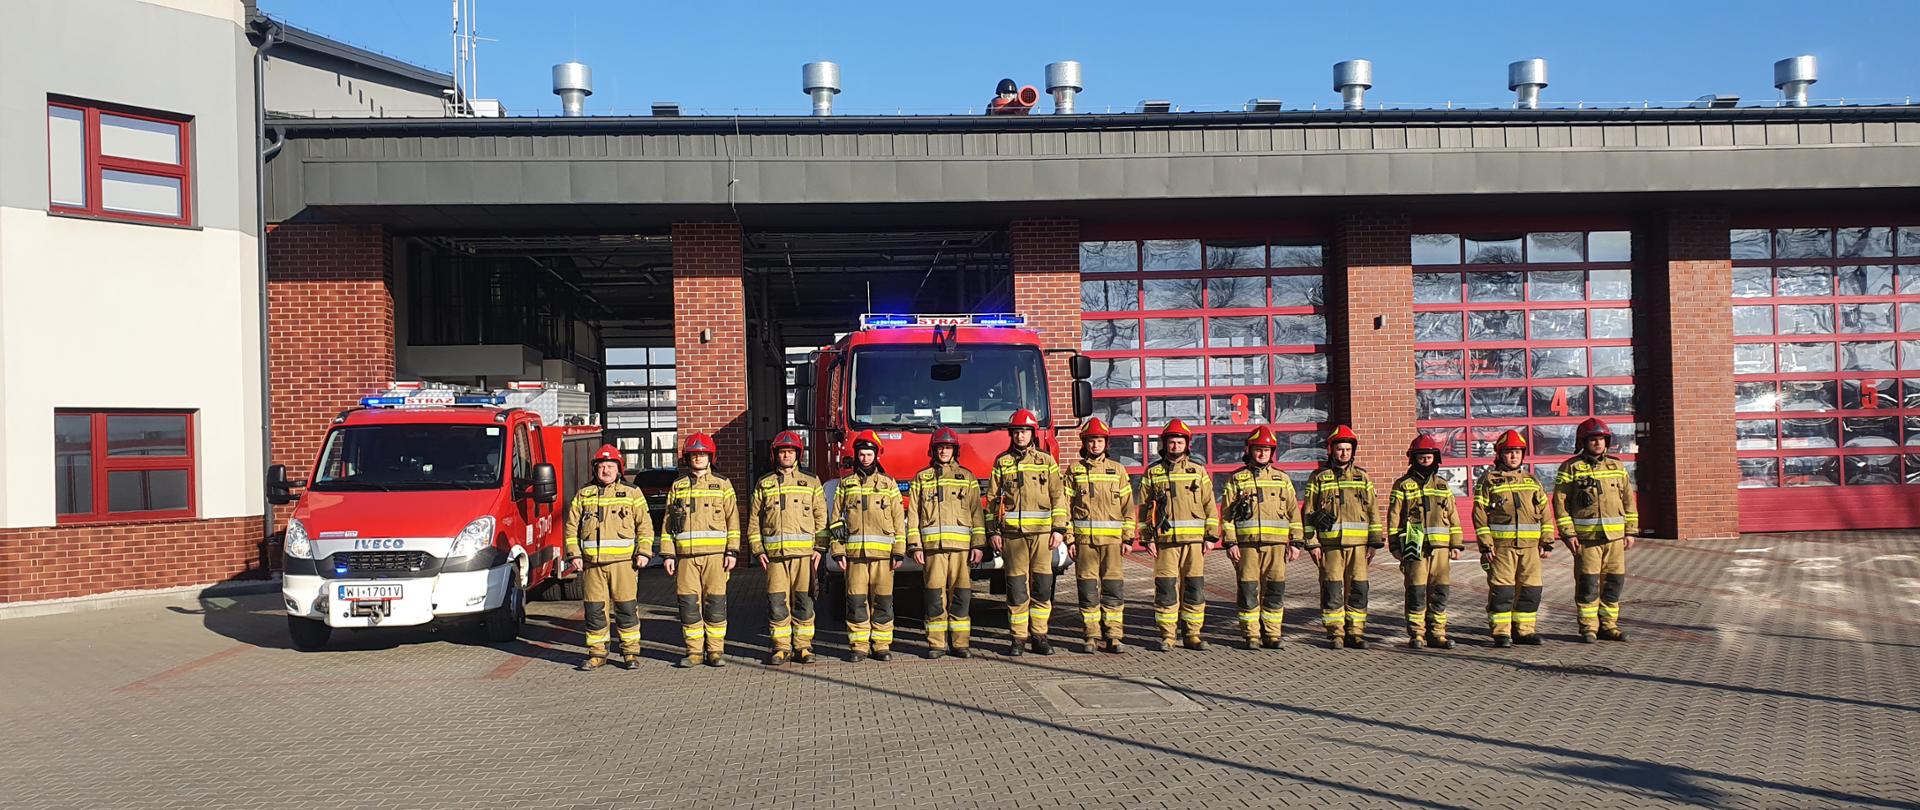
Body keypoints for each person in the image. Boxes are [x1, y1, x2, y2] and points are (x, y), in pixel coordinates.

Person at [563, 444, 653, 670]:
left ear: (619, 468)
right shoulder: (584, 494)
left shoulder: (633, 493)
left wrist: (643, 552)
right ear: (595, 469)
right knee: (594, 611)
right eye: (601, 466)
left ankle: (630, 653)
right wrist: (574, 555)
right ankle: (597, 654)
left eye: (610, 466)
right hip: (592, 565)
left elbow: (645, 527)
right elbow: (571, 528)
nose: (606, 470)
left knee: (626, 609)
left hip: (624, 564)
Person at [986, 409, 1067, 656]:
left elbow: (1058, 496)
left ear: (1032, 433)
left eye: (1025, 432)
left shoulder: (1046, 461)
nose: (1021, 436)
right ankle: (1018, 639)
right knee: (1017, 588)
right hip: (1013, 536)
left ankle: (1040, 636)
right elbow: (992, 500)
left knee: (1042, 586)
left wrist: (1059, 529)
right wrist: (993, 532)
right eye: (1017, 432)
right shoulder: (1002, 462)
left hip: (1043, 536)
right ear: (1012, 435)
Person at [1555, 417, 1640, 643]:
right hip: (1586, 540)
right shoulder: (1570, 468)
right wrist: (1568, 534)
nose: (1598, 443)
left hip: (1614, 540)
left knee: (1613, 584)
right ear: (1583, 441)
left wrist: (1630, 531)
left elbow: (1628, 500)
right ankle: (1588, 628)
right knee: (1588, 585)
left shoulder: (1617, 466)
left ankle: (1609, 626)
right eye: (1593, 439)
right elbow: (1561, 504)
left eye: (1601, 439)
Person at [746, 431, 827, 666]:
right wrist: (758, 550)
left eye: (791, 452)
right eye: (783, 452)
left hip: (804, 556)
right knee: (777, 602)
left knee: (804, 602)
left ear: (797, 455)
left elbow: (822, 518)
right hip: (775, 558)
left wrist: (820, 549)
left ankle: (803, 647)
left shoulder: (812, 482)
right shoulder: (765, 483)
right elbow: (754, 520)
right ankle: (781, 647)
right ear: (776, 455)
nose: (787, 455)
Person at [1301, 426, 1385, 649]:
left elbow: (1373, 511)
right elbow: (1308, 512)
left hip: (1359, 546)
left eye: (1347, 449)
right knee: (1332, 589)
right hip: (1330, 546)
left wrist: (1374, 542)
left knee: (1359, 589)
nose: (1344, 454)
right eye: (1340, 449)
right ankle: (1335, 633)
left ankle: (1356, 633)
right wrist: (1312, 543)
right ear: (1331, 451)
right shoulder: (1319, 477)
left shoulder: (1362, 477)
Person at [1139, 419, 1219, 651]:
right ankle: (1168, 635)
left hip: (1194, 543)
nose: (1175, 446)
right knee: (1165, 588)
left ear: (1187, 444)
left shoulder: (1198, 471)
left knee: (1194, 588)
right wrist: (1147, 538)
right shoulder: (1153, 473)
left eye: (1179, 442)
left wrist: (1211, 536)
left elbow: (1209, 505)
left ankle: (1192, 634)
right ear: (1164, 444)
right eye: (1171, 442)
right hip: (1165, 543)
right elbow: (1144, 508)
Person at [1219, 426, 1302, 650]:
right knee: (1248, 591)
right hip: (1246, 547)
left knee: (1274, 591)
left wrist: (1296, 542)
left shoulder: (1282, 479)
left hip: (1276, 546)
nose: (1262, 454)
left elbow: (1294, 512)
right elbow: (1226, 514)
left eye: (1266, 449)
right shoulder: (1237, 479)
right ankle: (1251, 635)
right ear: (1250, 450)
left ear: (1272, 452)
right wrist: (1230, 541)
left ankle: (1273, 634)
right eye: (1258, 449)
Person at [906, 428, 986, 659]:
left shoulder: (967, 477)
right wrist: (915, 545)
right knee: (934, 597)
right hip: (933, 550)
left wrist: (978, 545)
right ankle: (937, 644)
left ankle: (960, 644)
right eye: (940, 447)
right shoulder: (922, 478)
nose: (944, 450)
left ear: (955, 450)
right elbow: (914, 515)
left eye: (948, 447)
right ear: (933, 450)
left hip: (961, 550)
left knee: (961, 596)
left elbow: (976, 514)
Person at [662, 433, 740, 668]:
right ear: (688, 458)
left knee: (715, 603)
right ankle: (694, 652)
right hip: (686, 558)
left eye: (703, 455)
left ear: (710, 457)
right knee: (688, 604)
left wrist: (732, 552)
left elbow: (733, 520)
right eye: (694, 455)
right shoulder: (678, 487)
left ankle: (715, 651)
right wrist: (668, 554)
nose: (698, 459)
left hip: (716, 557)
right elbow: (668, 523)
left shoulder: (723, 484)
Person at [831, 431, 906, 662]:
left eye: (869, 454)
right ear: (856, 455)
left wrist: (899, 551)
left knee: (883, 600)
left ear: (876, 455)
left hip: (883, 556)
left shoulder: (888, 484)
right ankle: (859, 645)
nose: (865, 458)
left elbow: (898, 520)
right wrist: (837, 551)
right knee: (855, 601)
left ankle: (881, 645)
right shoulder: (846, 484)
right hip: (855, 556)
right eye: (861, 454)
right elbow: (835, 521)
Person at [1474, 429, 1553, 647]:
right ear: (1500, 454)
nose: (1514, 456)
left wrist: (1547, 541)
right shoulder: (1489, 480)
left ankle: (1524, 631)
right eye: (1509, 452)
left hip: (1530, 549)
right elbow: (1480, 514)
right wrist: (1486, 545)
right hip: (1501, 548)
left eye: (1517, 452)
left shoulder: (1531, 480)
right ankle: (1501, 633)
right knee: (1502, 591)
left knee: (1531, 590)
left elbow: (1545, 512)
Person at [1065, 418, 1137, 654]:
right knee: (1087, 590)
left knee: (1113, 589)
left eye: (1099, 441)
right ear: (1084, 444)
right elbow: (1064, 506)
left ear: (1106, 443)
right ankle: (1091, 635)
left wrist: (1128, 538)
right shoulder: (1074, 471)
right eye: (1091, 441)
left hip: (1113, 544)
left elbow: (1128, 507)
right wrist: (1070, 538)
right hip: (1085, 542)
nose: (1095, 445)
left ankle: (1114, 635)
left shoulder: (1118, 470)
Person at [1387, 434, 1464, 650]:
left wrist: (1456, 544)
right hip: (1414, 545)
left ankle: (1438, 633)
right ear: (1413, 458)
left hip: (1440, 547)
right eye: (1421, 456)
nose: (1425, 459)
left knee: (1439, 591)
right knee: (1416, 591)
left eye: (1428, 456)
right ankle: (1417, 634)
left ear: (1435, 458)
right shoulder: (1402, 485)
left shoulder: (1442, 485)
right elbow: (1394, 516)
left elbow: (1453, 515)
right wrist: (1394, 545)